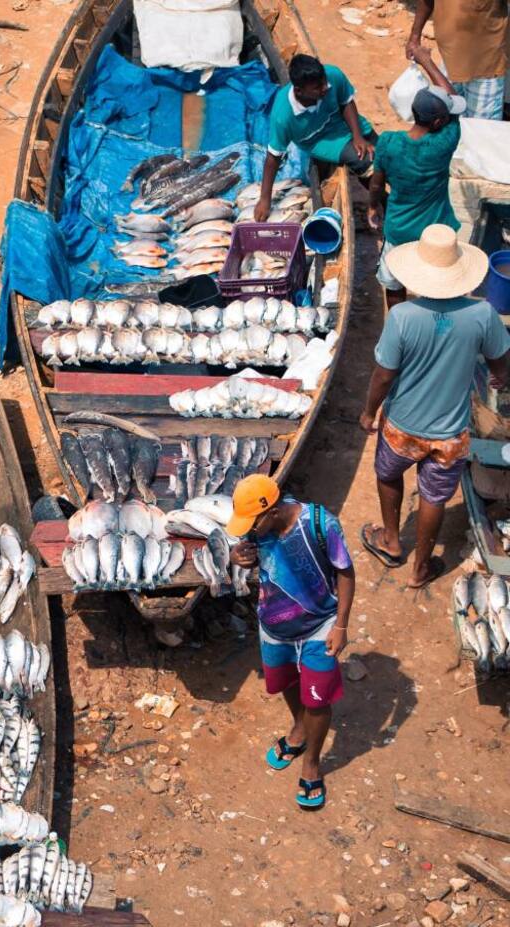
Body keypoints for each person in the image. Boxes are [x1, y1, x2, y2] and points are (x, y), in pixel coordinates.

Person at [359, 225, 510, 587]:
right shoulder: (483, 314)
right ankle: (421, 569)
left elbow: (383, 376)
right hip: (450, 434)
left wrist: (369, 412)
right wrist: (499, 377)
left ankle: (392, 541)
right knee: (434, 496)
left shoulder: (402, 317)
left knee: (388, 475)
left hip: (402, 426)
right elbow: (502, 365)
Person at [226, 475, 355, 812]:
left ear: (272, 512)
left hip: (319, 626)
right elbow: (251, 556)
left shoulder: (321, 524)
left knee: (317, 700)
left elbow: (345, 572)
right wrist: (238, 557)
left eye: (252, 523)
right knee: (287, 684)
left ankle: (311, 763)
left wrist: (341, 625)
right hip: (274, 627)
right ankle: (298, 730)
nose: (247, 531)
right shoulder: (258, 532)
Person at [368, 47, 467, 309]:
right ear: (438, 123)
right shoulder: (444, 142)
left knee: (393, 282)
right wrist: (426, 61)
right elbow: (454, 99)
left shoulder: (388, 142)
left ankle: (398, 320)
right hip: (436, 231)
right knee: (436, 284)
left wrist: (373, 206)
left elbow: (376, 183)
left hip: (399, 229)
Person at [255, 55, 378, 222]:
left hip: (340, 120)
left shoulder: (333, 75)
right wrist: (265, 200)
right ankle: (383, 202)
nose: (325, 87)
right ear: (299, 91)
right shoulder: (282, 117)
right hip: (319, 140)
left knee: (383, 153)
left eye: (324, 82)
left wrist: (357, 136)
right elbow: (273, 158)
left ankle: (385, 195)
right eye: (317, 87)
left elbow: (346, 102)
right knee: (363, 160)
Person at [407, 0, 507, 121]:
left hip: (486, 67)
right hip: (449, 59)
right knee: (448, 119)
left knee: (480, 128)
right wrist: (414, 36)